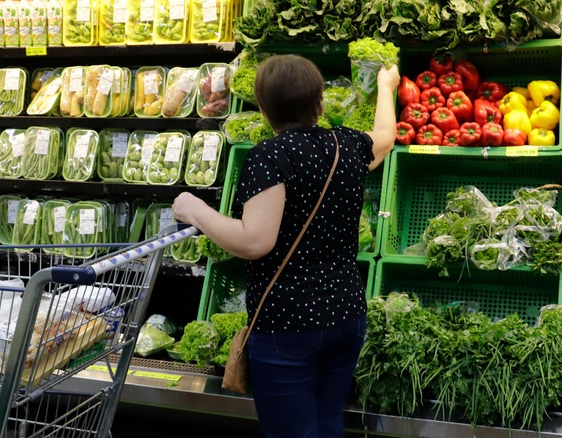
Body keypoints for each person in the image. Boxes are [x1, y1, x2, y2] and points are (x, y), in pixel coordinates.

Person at [171, 54, 399, 437]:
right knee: (328, 425)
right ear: (320, 103)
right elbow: (386, 137)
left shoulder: (269, 157)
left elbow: (254, 241)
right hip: (346, 316)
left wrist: (195, 210)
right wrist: (385, 87)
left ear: (262, 109)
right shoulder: (347, 145)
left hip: (288, 326)